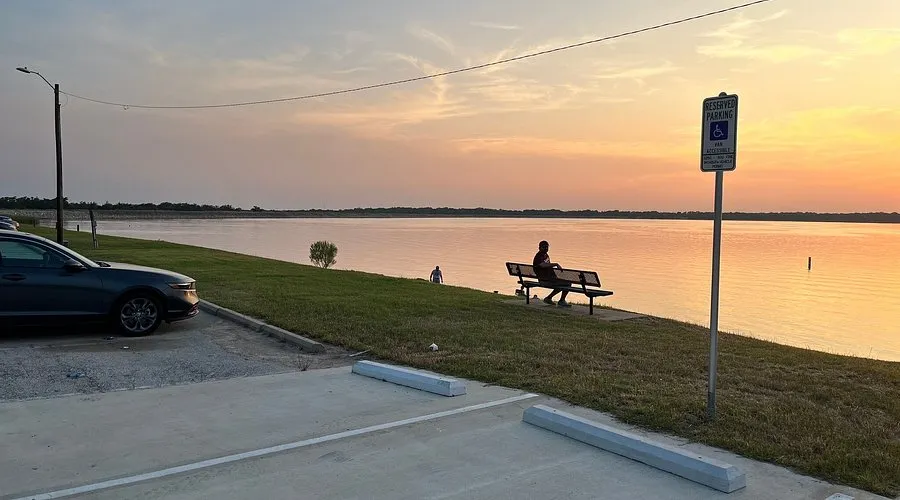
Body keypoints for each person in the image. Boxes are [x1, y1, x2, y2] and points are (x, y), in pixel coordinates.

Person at [533, 240, 570, 307]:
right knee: (568, 283)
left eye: (547, 247)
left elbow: (548, 266)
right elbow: (542, 265)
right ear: (539, 247)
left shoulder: (545, 255)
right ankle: (560, 300)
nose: (546, 248)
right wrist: (556, 264)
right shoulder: (539, 256)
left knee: (564, 283)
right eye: (544, 247)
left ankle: (549, 298)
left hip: (549, 278)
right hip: (544, 280)